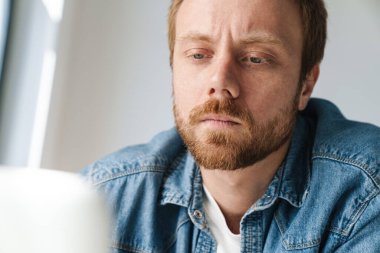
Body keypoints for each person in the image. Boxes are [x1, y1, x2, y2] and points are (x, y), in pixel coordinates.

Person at [82, 0, 380, 252]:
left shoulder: (365, 196)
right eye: (198, 54)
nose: (220, 82)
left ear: (306, 84)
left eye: (255, 58)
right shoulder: (104, 199)